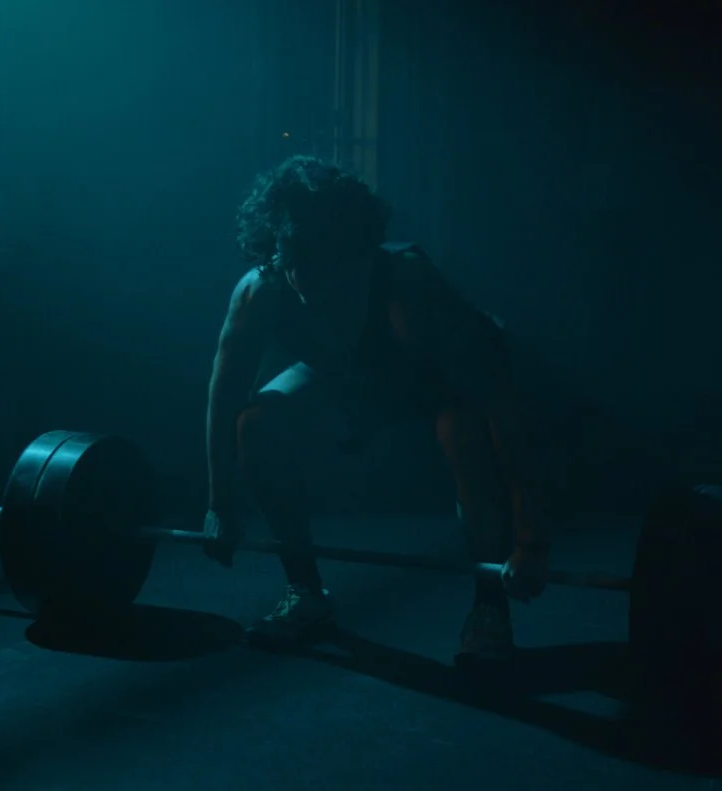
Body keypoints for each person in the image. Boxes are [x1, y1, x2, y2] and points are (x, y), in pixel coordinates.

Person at [202, 155, 548, 666]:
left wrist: (531, 541)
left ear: (355, 250)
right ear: (277, 246)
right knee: (257, 421)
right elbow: (225, 396)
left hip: (437, 380)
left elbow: (500, 407)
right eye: (292, 259)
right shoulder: (261, 290)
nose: (303, 280)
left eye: (322, 264)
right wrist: (221, 505)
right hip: (350, 376)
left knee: (465, 435)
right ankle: (306, 594)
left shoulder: (409, 286)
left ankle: (490, 607)